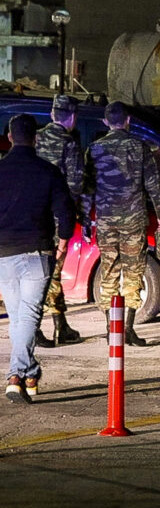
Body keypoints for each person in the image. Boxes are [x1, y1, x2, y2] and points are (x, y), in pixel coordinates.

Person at [0, 114, 75, 403]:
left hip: (4, 254)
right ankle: (17, 374)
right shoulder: (48, 171)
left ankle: (29, 373)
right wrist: (63, 243)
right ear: (36, 138)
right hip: (37, 253)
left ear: (10, 137)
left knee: (19, 317)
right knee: (28, 315)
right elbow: (65, 212)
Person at [84, 101, 160, 347]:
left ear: (105, 122)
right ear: (128, 120)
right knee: (134, 270)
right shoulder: (140, 148)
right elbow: (154, 186)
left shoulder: (94, 149)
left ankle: (111, 329)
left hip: (106, 221)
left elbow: (87, 189)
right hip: (134, 220)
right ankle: (129, 329)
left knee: (109, 270)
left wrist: (85, 219)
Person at [34, 94, 85, 347]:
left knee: (45, 270)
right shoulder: (69, 143)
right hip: (56, 216)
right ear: (72, 117)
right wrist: (73, 213)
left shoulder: (36, 137)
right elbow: (75, 186)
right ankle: (36, 327)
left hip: (32, 214)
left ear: (52, 113)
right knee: (49, 271)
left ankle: (60, 324)